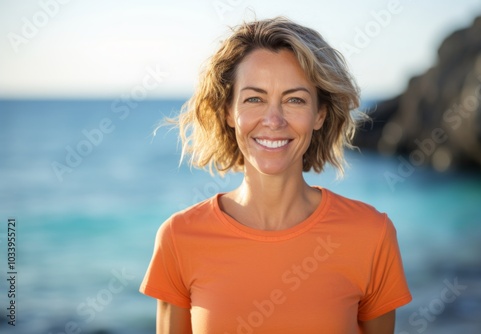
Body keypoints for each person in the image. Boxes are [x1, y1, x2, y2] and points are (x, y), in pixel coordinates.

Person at [140, 17, 412, 334]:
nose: (273, 120)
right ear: (229, 111)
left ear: (319, 114)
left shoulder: (372, 234)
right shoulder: (178, 238)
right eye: (254, 98)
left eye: (294, 99)